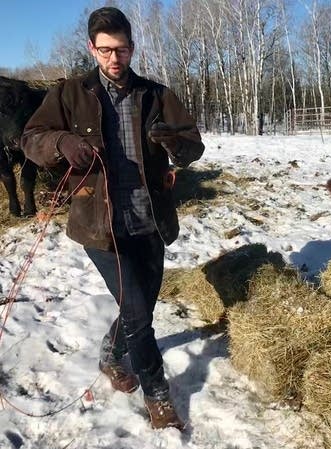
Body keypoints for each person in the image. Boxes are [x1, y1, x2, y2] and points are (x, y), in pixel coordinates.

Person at [21, 6, 205, 430]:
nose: (114, 60)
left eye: (121, 50)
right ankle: (158, 395)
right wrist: (62, 142)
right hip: (100, 226)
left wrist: (173, 143)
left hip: (150, 220)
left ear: (132, 48)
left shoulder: (156, 95)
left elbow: (194, 146)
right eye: (105, 51)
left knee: (142, 306)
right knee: (139, 314)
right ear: (92, 48)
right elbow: (30, 139)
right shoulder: (70, 94)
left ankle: (110, 353)